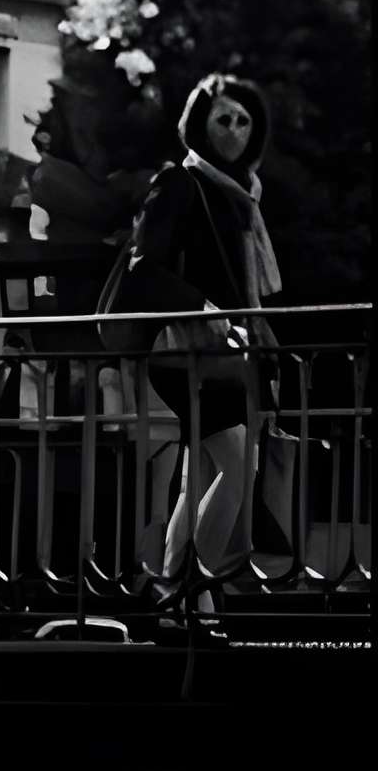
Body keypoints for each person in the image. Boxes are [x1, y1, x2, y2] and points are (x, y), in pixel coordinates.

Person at [103, 73, 292, 639]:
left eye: (243, 121)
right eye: (222, 119)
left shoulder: (241, 196)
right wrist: (201, 304)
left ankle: (181, 610)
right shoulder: (180, 183)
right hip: (183, 353)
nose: (233, 131)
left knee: (200, 478)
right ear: (200, 125)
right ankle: (187, 590)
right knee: (238, 463)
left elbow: (246, 288)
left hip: (225, 355)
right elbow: (142, 265)